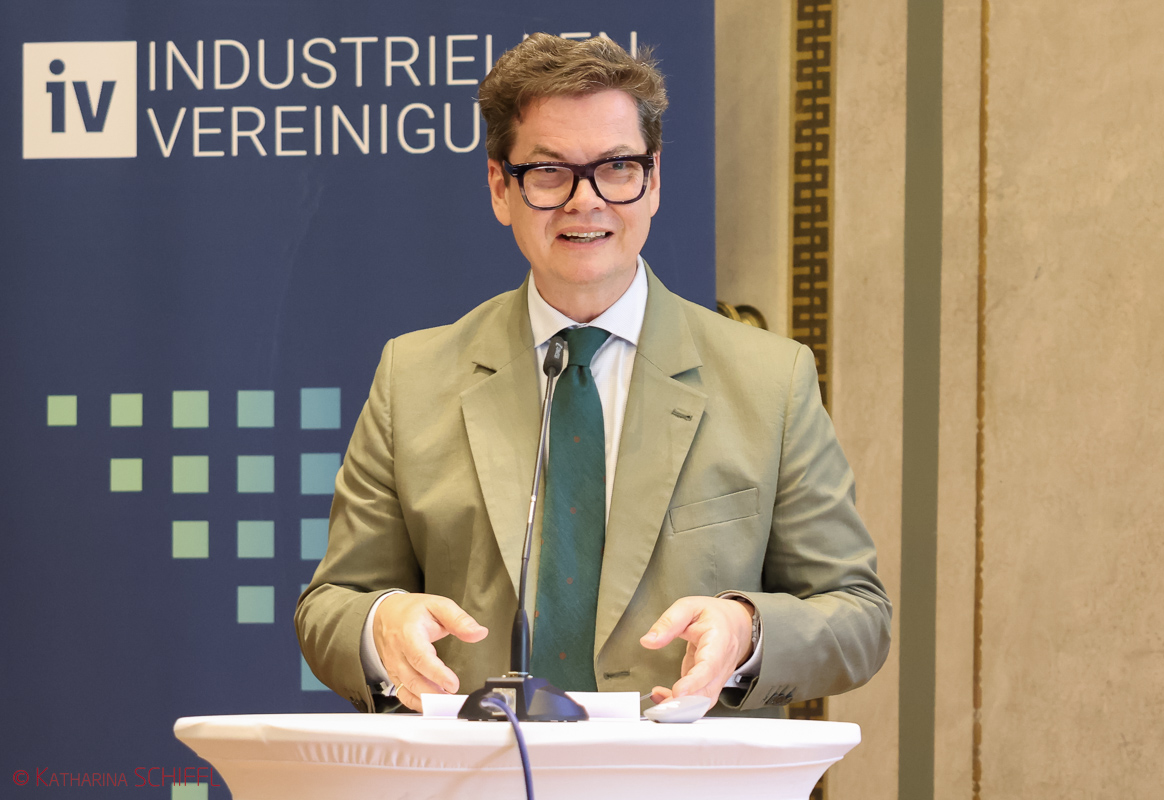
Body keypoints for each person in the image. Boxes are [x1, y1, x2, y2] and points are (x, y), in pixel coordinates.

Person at [296, 33, 890, 716]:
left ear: (653, 181)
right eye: (550, 171)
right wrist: (381, 626)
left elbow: (858, 614)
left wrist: (748, 630)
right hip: (480, 766)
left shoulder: (770, 381)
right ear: (500, 187)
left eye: (616, 167)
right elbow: (331, 606)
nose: (586, 201)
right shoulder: (413, 378)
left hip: (683, 769)